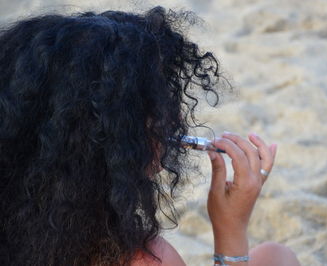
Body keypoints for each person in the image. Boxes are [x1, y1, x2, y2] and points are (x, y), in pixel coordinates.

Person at [0, 5, 301, 266]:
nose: (176, 120)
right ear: (111, 135)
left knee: (274, 257)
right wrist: (232, 229)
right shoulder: (142, 259)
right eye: (157, 105)